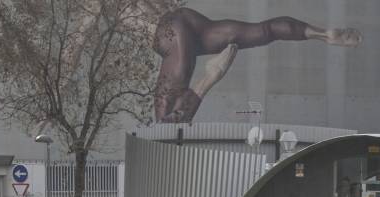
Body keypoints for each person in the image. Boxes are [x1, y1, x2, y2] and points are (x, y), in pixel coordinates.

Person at [153, 8, 361, 123]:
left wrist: (209, 79)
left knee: (166, 122)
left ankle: (211, 75)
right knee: (265, 31)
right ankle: (323, 34)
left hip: (168, 32)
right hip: (190, 23)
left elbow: (169, 124)